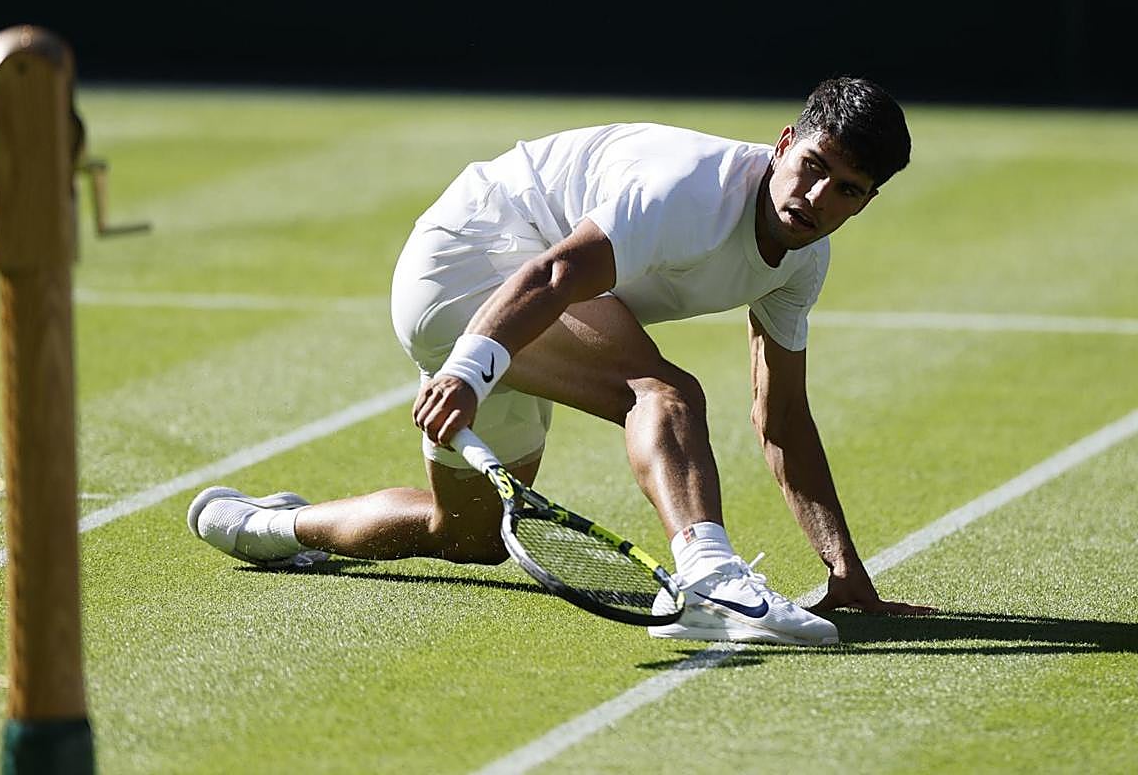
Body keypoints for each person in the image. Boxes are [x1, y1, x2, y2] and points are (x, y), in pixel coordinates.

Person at [188, 76, 935, 645]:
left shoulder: (802, 264)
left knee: (469, 537)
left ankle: (270, 529)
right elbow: (551, 276)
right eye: (810, 165)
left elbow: (781, 419)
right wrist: (466, 370)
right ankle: (711, 579)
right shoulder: (685, 188)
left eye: (845, 190)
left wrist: (845, 576)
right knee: (662, 389)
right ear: (781, 144)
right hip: (466, 266)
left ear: (863, 204)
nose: (814, 196)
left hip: (518, 309)